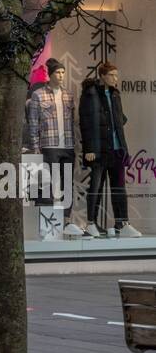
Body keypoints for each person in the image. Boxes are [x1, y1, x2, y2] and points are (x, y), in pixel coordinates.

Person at [79, 61, 141, 238]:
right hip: (98, 149)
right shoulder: (90, 93)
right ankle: (91, 223)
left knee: (119, 187)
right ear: (103, 76)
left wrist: (120, 120)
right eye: (112, 75)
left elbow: (118, 119)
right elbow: (86, 122)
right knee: (96, 186)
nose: (116, 78)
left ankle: (122, 223)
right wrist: (89, 148)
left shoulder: (115, 94)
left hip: (117, 149)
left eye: (116, 75)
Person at [25, 57, 83, 237]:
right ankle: (48, 222)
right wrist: (35, 147)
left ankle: (66, 220)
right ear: (50, 75)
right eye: (58, 72)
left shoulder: (68, 95)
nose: (61, 75)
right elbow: (33, 123)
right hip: (49, 144)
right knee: (48, 183)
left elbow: (73, 123)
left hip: (67, 144)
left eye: (63, 72)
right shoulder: (38, 95)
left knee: (66, 184)